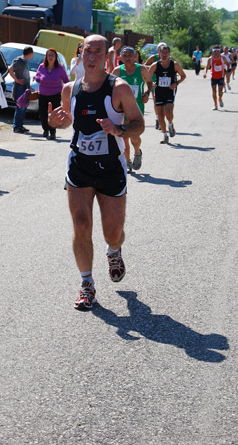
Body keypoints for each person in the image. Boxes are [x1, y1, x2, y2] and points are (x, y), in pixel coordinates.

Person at [48, 35, 145, 310]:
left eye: (98, 52)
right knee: (80, 225)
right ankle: (87, 283)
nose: (92, 57)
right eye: (87, 51)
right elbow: (66, 121)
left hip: (111, 167)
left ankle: (114, 251)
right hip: (79, 165)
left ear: (107, 56)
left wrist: (119, 130)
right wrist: (54, 122)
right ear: (81, 54)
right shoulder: (70, 89)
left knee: (112, 232)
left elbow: (139, 124)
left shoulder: (120, 89)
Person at [113, 46, 152, 173]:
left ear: (135, 56)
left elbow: (150, 82)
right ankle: (127, 162)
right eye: (124, 55)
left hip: (137, 107)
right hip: (121, 108)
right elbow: (110, 87)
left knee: (134, 136)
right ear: (121, 58)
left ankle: (137, 152)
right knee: (124, 137)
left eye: (130, 55)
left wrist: (147, 93)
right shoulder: (117, 71)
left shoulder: (141, 69)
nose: (127, 58)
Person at [149, 44, 186, 143]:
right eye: (162, 53)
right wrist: (151, 84)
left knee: (168, 112)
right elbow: (147, 76)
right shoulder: (155, 65)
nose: (164, 55)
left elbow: (183, 75)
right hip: (159, 91)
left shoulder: (174, 64)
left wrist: (176, 83)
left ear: (169, 53)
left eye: (166, 53)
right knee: (160, 115)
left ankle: (170, 124)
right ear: (159, 53)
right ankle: (165, 135)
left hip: (170, 91)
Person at [34, 48, 69, 139]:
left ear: (55, 57)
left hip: (55, 94)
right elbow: (37, 76)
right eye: (49, 55)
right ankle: (45, 129)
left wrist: (68, 90)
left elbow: (66, 80)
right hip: (43, 94)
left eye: (52, 55)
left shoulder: (60, 68)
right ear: (46, 57)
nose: (50, 57)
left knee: (55, 114)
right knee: (42, 113)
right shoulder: (42, 66)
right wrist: (37, 78)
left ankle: (53, 132)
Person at [9, 46, 34, 134]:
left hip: (25, 87)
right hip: (20, 87)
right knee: (20, 107)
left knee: (24, 107)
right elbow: (10, 69)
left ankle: (20, 125)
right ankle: (16, 126)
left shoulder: (25, 61)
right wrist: (17, 80)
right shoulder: (19, 61)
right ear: (30, 54)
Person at [203, 45, 228, 109]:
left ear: (219, 52)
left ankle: (220, 98)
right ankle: (215, 104)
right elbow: (207, 67)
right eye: (214, 51)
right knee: (214, 91)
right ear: (212, 52)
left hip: (221, 77)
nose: (216, 52)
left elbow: (227, 64)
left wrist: (226, 70)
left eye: (217, 51)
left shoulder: (223, 58)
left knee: (220, 92)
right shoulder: (210, 59)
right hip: (213, 77)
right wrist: (205, 73)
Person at [146, 43, 163, 130]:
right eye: (160, 50)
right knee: (156, 102)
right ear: (158, 50)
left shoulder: (168, 58)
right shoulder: (153, 58)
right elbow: (145, 67)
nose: (162, 52)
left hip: (164, 84)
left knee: (163, 103)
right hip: (154, 83)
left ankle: (161, 119)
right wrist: (154, 67)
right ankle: (158, 119)